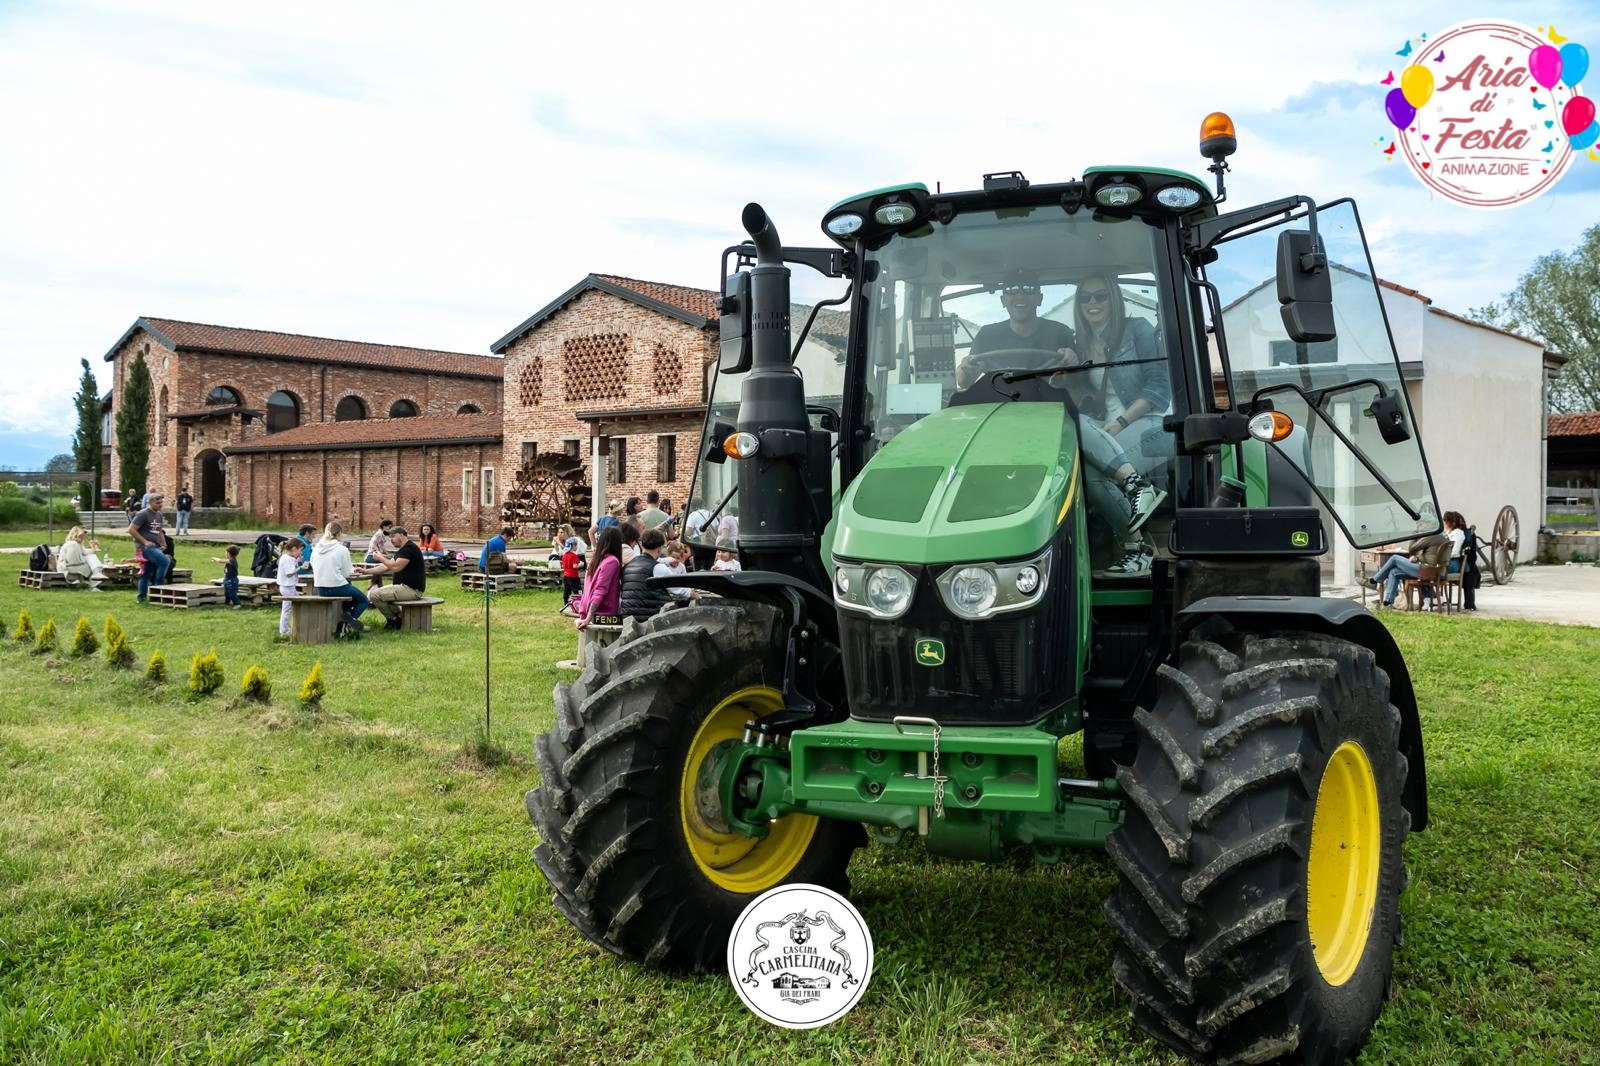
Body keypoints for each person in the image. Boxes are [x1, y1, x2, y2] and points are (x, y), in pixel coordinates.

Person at [1370, 512, 1464, 608]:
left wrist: (1415, 534)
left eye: (1421, 524)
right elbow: (1432, 555)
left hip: (1429, 571)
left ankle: (1376, 580)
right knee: (1394, 572)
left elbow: (1412, 548)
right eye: (1418, 524)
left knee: (1394, 558)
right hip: (1435, 570)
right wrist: (1418, 558)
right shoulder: (1439, 535)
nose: (1418, 526)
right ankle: (1388, 601)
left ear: (1429, 524)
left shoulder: (1431, 535)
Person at [311, 520, 371, 635]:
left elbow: (313, 565)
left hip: (320, 587)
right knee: (363, 600)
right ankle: (349, 621)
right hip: (337, 586)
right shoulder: (342, 549)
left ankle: (346, 619)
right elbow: (347, 573)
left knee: (349, 592)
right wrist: (354, 571)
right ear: (339, 533)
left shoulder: (316, 548)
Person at [361, 527, 426, 630]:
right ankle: (398, 618)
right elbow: (386, 566)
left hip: (411, 590)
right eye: (389, 537)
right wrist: (365, 571)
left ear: (402, 535)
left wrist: (380, 558)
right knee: (379, 594)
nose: (390, 540)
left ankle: (393, 620)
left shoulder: (409, 549)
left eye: (393, 536)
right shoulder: (403, 550)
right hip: (403, 587)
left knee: (375, 595)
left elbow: (396, 567)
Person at [573, 525, 623, 630]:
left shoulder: (595, 560)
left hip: (587, 609)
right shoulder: (612, 562)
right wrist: (588, 618)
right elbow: (600, 590)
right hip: (603, 612)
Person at [128, 491, 171, 603]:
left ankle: (141, 598)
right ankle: (158, 588)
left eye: (161, 502)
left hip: (155, 546)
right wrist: (144, 541)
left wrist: (163, 544)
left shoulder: (159, 515)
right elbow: (131, 529)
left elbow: (159, 531)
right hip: (144, 548)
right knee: (165, 561)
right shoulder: (143, 514)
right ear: (150, 502)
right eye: (157, 503)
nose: (160, 505)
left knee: (146, 573)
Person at [620, 528, 671, 622]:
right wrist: (694, 595)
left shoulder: (627, 566)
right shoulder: (658, 567)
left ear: (642, 545)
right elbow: (681, 591)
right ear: (659, 549)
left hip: (627, 619)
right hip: (652, 620)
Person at [275, 537, 304, 639]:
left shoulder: (288, 558)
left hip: (289, 586)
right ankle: (284, 630)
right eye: (300, 550)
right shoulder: (287, 559)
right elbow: (289, 573)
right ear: (294, 549)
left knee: (296, 605)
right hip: (287, 587)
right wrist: (300, 567)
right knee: (287, 609)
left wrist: (297, 561)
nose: (300, 553)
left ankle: (293, 627)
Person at [365, 519, 394, 589]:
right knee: (391, 561)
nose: (390, 529)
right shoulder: (379, 534)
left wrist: (387, 554)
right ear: (384, 526)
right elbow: (373, 545)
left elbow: (382, 547)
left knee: (391, 559)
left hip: (374, 556)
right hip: (371, 557)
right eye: (389, 527)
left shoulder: (381, 534)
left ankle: (378, 582)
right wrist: (382, 555)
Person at [560, 536, 586, 607]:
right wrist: (581, 564)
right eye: (576, 544)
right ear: (572, 545)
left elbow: (563, 565)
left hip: (566, 576)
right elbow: (575, 566)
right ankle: (580, 603)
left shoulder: (564, 555)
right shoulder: (574, 556)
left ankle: (565, 603)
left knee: (567, 590)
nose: (577, 546)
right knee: (578, 590)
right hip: (573, 577)